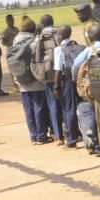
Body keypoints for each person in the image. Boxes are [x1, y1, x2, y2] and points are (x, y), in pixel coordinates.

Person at [72, 21, 100, 156]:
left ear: (90, 37)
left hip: (93, 88)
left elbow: (75, 66)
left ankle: (97, 145)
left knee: (94, 113)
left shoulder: (89, 50)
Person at [12, 18, 50, 145]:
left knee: (28, 110)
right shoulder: (34, 41)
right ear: (32, 28)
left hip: (22, 79)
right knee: (39, 108)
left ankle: (33, 136)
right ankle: (41, 135)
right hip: (35, 80)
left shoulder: (16, 41)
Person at [53, 26, 83, 149]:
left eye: (57, 34)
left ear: (60, 36)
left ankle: (71, 139)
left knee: (68, 109)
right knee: (82, 106)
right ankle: (84, 134)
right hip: (80, 79)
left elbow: (58, 69)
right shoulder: (78, 46)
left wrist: (56, 86)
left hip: (67, 81)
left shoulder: (59, 49)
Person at [38, 15, 63, 144]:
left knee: (52, 105)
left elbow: (37, 57)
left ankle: (57, 134)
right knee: (64, 103)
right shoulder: (59, 32)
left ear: (42, 25)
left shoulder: (40, 37)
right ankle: (69, 131)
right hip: (61, 71)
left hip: (48, 73)